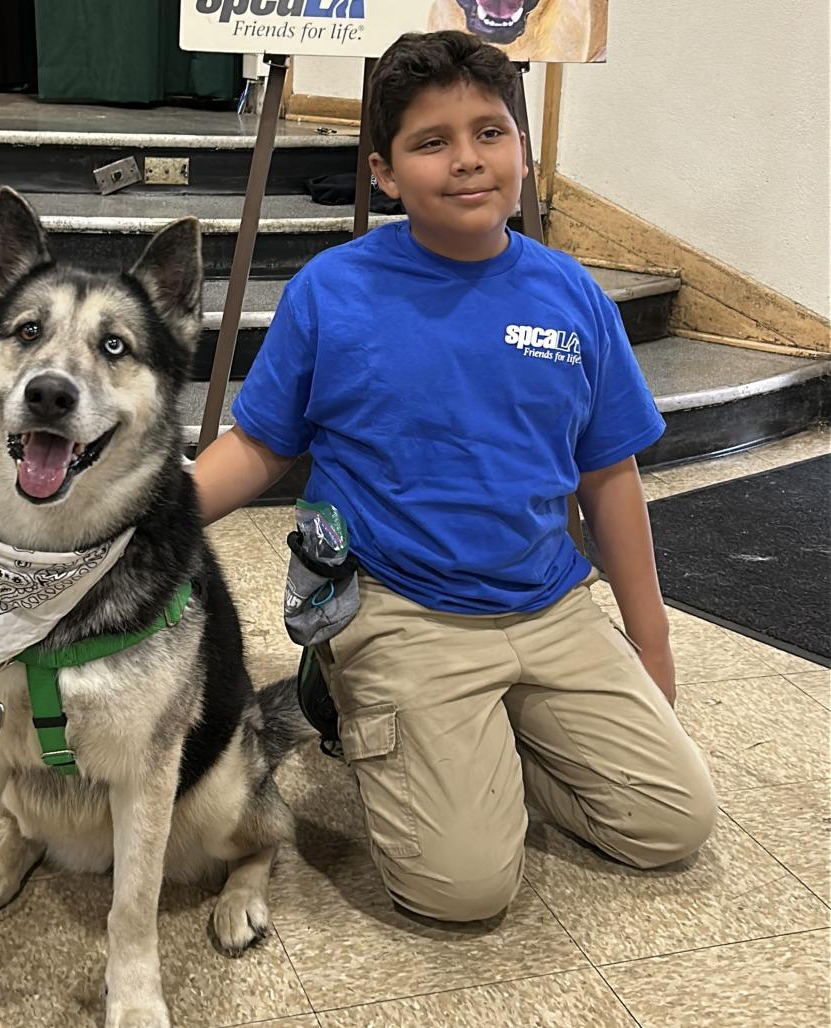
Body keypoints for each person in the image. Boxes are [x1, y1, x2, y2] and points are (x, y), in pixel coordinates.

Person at [193, 30, 716, 923]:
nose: (467, 161)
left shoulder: (573, 295)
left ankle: (484, 751)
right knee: (466, 889)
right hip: (403, 606)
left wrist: (651, 641)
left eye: (490, 133)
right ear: (386, 172)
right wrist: (148, 514)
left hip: (548, 604)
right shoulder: (334, 290)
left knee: (673, 823)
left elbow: (609, 476)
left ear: (523, 148)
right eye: (432, 142)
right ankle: (345, 690)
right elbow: (263, 444)